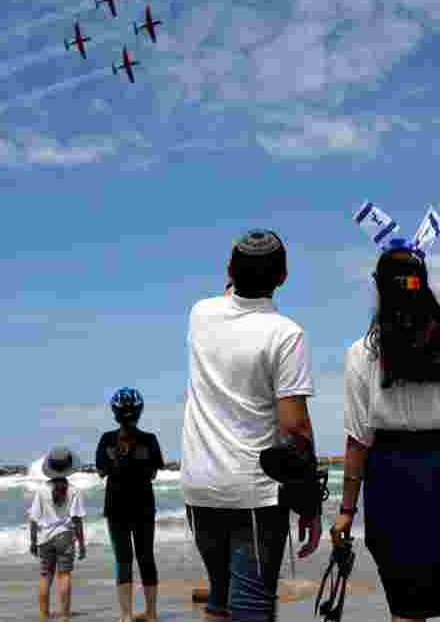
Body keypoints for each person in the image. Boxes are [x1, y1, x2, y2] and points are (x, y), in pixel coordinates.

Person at [331, 240, 440, 622]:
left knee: (407, 607)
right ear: (424, 284)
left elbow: (358, 441)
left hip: (391, 478)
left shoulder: (362, 354)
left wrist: (346, 512)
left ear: (380, 288)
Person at [182, 229, 323, 622]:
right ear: (283, 277)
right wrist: (309, 504)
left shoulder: (200, 314)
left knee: (220, 601)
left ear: (229, 270)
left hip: (199, 485)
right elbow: (296, 428)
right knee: (252, 608)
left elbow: (231, 295)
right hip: (253, 492)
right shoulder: (286, 335)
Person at [96, 387, 166, 622]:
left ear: (115, 413)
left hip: (116, 507)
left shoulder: (106, 439)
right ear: (140, 412)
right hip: (144, 506)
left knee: (123, 560)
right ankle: (152, 613)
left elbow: (101, 471)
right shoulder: (150, 439)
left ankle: (125, 616)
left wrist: (119, 460)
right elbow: (154, 473)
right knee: (146, 557)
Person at [28, 446, 87, 618]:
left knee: (46, 576)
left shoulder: (41, 490)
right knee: (65, 575)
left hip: (45, 539)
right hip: (66, 537)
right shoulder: (74, 491)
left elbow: (34, 519)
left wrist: (32, 541)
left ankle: (44, 615)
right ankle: (64, 615)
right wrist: (82, 544)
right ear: (69, 467)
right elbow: (77, 520)